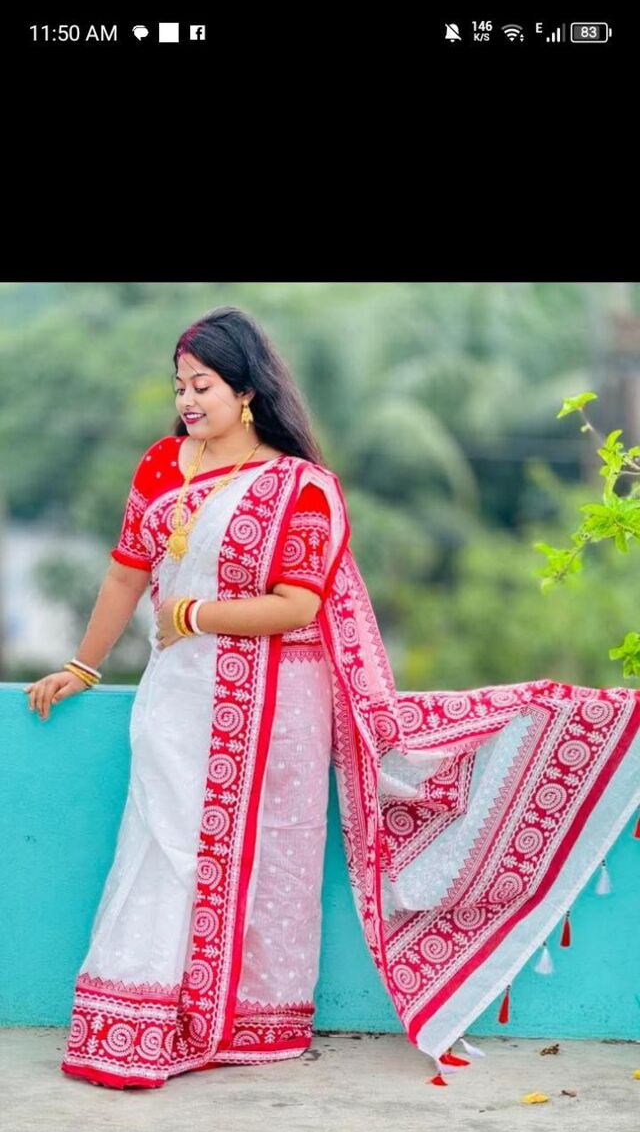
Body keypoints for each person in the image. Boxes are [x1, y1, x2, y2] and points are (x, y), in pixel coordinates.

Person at [25, 306, 640, 1091]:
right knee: (161, 839)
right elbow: (124, 571)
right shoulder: (159, 466)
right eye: (180, 385)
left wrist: (193, 615)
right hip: (175, 694)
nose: (186, 400)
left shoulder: (301, 488)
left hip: (278, 706)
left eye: (202, 385)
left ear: (246, 391)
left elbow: (297, 606)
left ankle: (246, 1021)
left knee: (267, 855)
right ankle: (141, 1020)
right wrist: (82, 666)